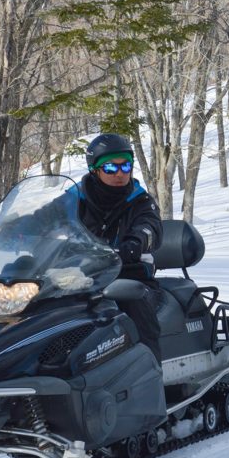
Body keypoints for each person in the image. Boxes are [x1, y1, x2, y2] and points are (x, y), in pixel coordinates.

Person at [70, 133, 164, 361]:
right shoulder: (74, 199)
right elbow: (46, 220)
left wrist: (135, 242)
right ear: (95, 170)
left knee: (134, 302)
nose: (120, 174)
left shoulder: (140, 200)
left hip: (130, 276)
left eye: (126, 166)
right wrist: (17, 234)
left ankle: (150, 372)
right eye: (111, 168)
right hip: (79, 277)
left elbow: (151, 227)